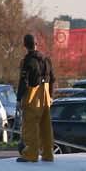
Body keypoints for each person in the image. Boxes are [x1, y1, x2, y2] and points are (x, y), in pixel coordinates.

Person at [16, 33, 55, 162]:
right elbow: (53, 79)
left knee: (31, 126)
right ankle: (48, 154)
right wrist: (51, 96)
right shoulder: (46, 59)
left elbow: (24, 81)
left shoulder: (27, 61)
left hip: (33, 95)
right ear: (36, 44)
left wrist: (18, 98)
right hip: (46, 94)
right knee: (45, 126)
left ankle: (31, 154)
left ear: (25, 46)